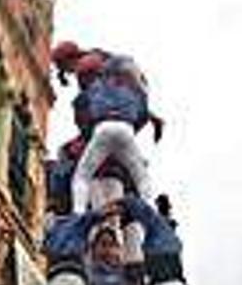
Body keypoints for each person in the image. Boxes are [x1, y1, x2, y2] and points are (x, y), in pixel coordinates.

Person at [51, 41, 164, 215]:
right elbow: (126, 98)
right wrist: (152, 118)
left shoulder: (85, 68)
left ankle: (74, 214)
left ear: (67, 60)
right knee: (142, 178)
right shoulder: (107, 60)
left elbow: (88, 104)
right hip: (126, 129)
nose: (67, 72)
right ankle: (150, 214)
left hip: (102, 128)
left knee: (72, 164)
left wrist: (86, 127)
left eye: (63, 67)